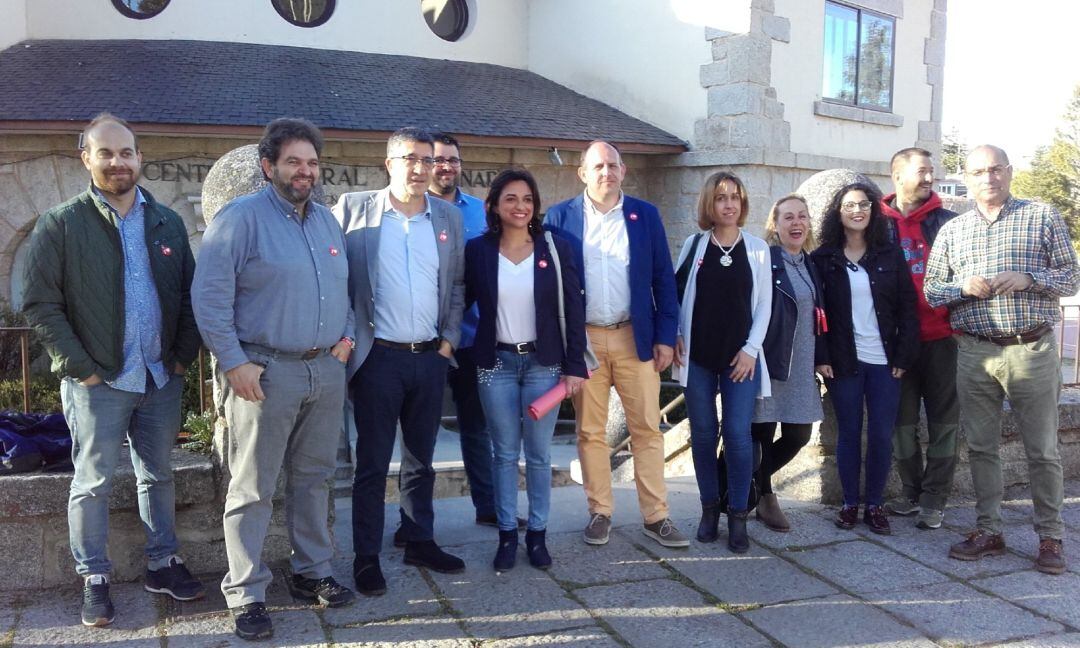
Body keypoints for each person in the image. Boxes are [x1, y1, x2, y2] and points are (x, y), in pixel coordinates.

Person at [22, 113, 205, 628]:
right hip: (97, 381)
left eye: (126, 152)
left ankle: (163, 563)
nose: (117, 162)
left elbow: (190, 296)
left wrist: (179, 358)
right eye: (105, 152)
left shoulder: (166, 221)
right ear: (86, 158)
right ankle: (95, 578)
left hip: (158, 377)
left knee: (159, 474)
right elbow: (38, 303)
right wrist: (81, 368)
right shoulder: (61, 223)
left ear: (139, 158)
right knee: (93, 480)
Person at [193, 118, 356, 640]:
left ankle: (312, 573)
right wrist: (234, 362)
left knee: (314, 480)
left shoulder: (327, 222)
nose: (304, 171)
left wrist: (346, 338)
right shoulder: (240, 220)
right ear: (269, 167)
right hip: (265, 375)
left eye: (311, 162)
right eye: (293, 161)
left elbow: (343, 290)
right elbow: (209, 297)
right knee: (253, 488)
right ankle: (246, 593)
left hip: (324, 372)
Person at [925, 145, 1079, 575]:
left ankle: (1050, 536)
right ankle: (989, 530)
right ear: (967, 178)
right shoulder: (953, 231)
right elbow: (933, 289)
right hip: (974, 349)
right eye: (977, 171)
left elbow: (1072, 276)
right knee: (980, 446)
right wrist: (960, 288)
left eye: (995, 169)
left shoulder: (1041, 216)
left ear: (1009, 172)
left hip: (1030, 348)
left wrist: (1032, 279)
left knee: (1042, 449)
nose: (987, 178)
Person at [333, 127, 467, 597]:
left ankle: (418, 538)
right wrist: (348, 339)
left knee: (421, 461)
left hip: (429, 359)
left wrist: (448, 341)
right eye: (409, 158)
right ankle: (366, 557)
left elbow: (455, 286)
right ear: (388, 163)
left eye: (427, 160)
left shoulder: (448, 217)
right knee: (371, 465)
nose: (419, 168)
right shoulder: (354, 211)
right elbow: (337, 280)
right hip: (377, 359)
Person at [545, 140, 688, 549]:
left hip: (634, 338)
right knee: (590, 432)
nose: (606, 172)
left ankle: (656, 516)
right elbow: (553, 286)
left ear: (623, 171)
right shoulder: (559, 217)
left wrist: (665, 336)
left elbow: (664, 278)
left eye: (612, 165)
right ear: (582, 173)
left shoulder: (645, 215)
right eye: (598, 166)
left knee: (647, 429)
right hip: (584, 340)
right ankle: (599, 512)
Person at [464, 169, 588, 571]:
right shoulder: (478, 250)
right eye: (511, 199)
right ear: (494, 206)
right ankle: (505, 535)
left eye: (527, 199)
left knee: (537, 455)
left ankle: (537, 536)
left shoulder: (555, 248)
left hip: (544, 364)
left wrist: (574, 367)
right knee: (502, 454)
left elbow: (574, 309)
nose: (520, 207)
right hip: (495, 363)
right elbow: (459, 301)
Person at [673, 172, 772, 553]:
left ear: (742, 203)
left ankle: (738, 515)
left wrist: (751, 349)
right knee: (701, 433)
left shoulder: (758, 249)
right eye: (720, 198)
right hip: (698, 356)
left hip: (740, 359)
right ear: (709, 205)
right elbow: (676, 294)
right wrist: (676, 335)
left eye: (734, 197)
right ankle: (709, 509)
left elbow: (765, 306)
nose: (728, 204)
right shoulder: (694, 246)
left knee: (736, 434)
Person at [812, 182, 918, 536]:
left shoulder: (889, 254)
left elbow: (908, 308)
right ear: (838, 213)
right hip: (843, 362)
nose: (857, 210)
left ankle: (874, 504)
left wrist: (904, 355)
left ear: (873, 211)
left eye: (864, 205)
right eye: (849, 205)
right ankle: (849, 503)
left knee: (881, 435)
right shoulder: (823, 259)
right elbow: (817, 313)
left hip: (885, 361)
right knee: (848, 434)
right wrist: (822, 357)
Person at [880, 148, 959, 530]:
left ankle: (934, 499)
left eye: (932, 171)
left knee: (945, 424)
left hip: (944, 338)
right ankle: (911, 493)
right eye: (922, 172)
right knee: (902, 425)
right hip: (897, 343)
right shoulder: (877, 223)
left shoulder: (949, 221)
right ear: (897, 175)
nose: (930, 178)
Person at [750, 194, 825, 532]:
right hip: (770, 359)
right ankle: (765, 496)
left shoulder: (812, 263)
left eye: (802, 216)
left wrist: (823, 358)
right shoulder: (765, 260)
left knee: (798, 434)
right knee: (762, 433)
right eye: (788, 217)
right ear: (775, 225)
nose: (796, 223)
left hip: (803, 363)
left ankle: (747, 484)